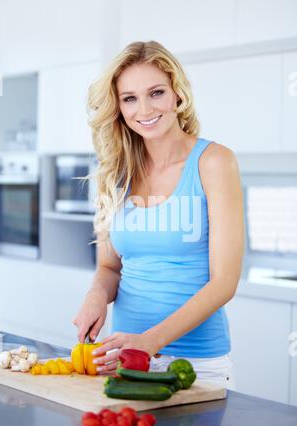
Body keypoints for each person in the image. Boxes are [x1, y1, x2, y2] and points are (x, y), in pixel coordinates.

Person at [73, 40, 244, 389]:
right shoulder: (115, 172)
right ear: (118, 106)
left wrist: (152, 341)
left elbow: (224, 282)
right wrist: (95, 296)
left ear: (177, 94)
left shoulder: (214, 162)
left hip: (194, 362)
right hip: (124, 357)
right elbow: (109, 267)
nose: (144, 109)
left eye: (156, 92)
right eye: (130, 98)